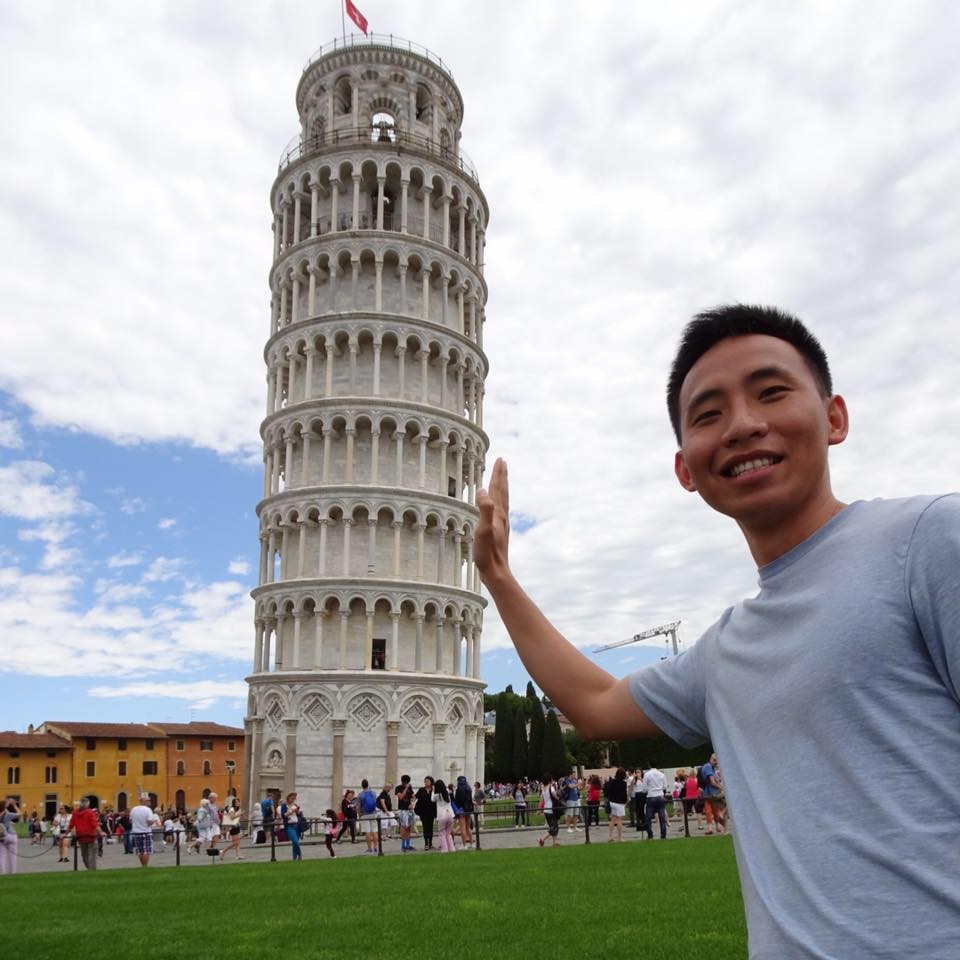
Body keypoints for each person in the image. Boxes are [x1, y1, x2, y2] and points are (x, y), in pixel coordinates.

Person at [474, 303, 960, 958]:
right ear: (685, 469)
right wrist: (500, 579)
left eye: (771, 391)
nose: (743, 425)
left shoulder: (929, 543)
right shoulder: (726, 649)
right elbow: (593, 706)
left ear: (835, 417)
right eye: (709, 414)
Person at [70, 797, 103, 870]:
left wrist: (65, 834)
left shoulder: (75, 813)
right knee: (92, 855)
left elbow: (71, 824)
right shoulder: (90, 812)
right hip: (91, 836)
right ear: (88, 804)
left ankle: (89, 869)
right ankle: (92, 870)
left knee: (84, 855)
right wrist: (101, 832)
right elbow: (95, 823)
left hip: (81, 837)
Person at [129, 793, 161, 867]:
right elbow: (149, 822)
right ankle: (145, 866)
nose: (150, 801)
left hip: (136, 832)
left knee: (140, 851)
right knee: (146, 851)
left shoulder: (134, 809)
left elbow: (130, 820)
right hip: (145, 832)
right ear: (143, 801)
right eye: (148, 800)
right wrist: (153, 821)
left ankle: (142, 865)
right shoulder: (148, 810)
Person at [700, 753, 725, 835]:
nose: (715, 762)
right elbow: (712, 782)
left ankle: (716, 827)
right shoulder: (708, 767)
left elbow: (715, 780)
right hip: (710, 793)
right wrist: (721, 788)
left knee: (714, 810)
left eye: (717, 761)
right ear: (710, 758)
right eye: (714, 760)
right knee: (710, 810)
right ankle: (712, 828)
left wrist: (720, 786)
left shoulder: (712, 768)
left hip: (711, 793)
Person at [640, 764, 668, 840]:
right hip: (660, 796)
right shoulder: (661, 774)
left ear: (649, 765)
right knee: (662, 816)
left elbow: (644, 789)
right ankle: (663, 834)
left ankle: (650, 834)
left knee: (648, 817)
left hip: (651, 796)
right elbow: (665, 787)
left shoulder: (647, 774)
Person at [431, 779, 455, 853]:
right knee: (448, 833)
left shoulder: (437, 795)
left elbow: (432, 799)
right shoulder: (447, 793)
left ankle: (444, 849)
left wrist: (433, 790)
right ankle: (452, 848)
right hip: (450, 814)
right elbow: (448, 790)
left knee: (442, 833)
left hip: (442, 815)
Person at [536, 775, 560, 848]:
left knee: (553, 826)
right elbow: (555, 796)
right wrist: (559, 798)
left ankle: (555, 843)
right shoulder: (551, 787)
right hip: (551, 810)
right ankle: (542, 839)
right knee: (554, 827)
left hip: (546, 810)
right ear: (550, 780)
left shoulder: (543, 789)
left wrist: (539, 810)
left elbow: (541, 801)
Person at [414, 776, 437, 850]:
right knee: (425, 827)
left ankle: (430, 843)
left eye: (427, 781)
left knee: (430, 828)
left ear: (431, 782)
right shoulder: (421, 790)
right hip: (423, 812)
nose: (426, 782)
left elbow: (436, 799)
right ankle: (426, 844)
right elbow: (415, 797)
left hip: (431, 812)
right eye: (425, 781)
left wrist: (433, 791)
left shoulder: (434, 790)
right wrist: (412, 803)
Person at [606, 768, 627, 842]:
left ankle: (610, 836)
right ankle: (620, 837)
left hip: (612, 802)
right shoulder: (624, 783)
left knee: (612, 820)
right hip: (620, 803)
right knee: (619, 820)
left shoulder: (611, 782)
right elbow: (624, 794)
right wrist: (625, 801)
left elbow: (608, 792)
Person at [279, 792, 303, 861]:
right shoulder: (284, 805)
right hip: (290, 826)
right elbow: (283, 815)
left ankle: (294, 858)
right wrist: (292, 811)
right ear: (288, 797)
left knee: (294, 844)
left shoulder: (295, 804)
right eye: (292, 798)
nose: (293, 800)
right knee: (296, 842)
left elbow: (299, 814)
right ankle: (300, 854)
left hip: (297, 826)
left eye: (294, 799)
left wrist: (298, 811)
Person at [395, 775, 416, 852]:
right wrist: (406, 788)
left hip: (409, 810)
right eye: (405, 783)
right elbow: (400, 797)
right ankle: (403, 845)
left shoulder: (410, 787)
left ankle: (408, 845)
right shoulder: (398, 788)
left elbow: (414, 796)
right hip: (402, 810)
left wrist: (412, 803)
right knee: (403, 827)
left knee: (409, 827)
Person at [0, 796, 20, 875]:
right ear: (4, 807)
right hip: (11, 835)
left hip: (1, 837)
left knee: (2, 856)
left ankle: (2, 873)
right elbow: (19, 814)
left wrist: (6, 805)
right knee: (12, 856)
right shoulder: (7, 815)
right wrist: (15, 806)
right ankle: (13, 873)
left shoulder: (5, 813)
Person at [357, 779, 378, 854]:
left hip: (365, 814)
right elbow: (376, 803)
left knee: (367, 832)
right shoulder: (374, 793)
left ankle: (369, 848)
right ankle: (376, 847)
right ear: (368, 784)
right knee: (375, 831)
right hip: (373, 813)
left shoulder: (360, 795)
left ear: (362, 786)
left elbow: (358, 807)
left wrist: (359, 814)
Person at [453, 775, 474, 848]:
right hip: (468, 809)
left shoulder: (459, 790)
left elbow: (456, 801)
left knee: (462, 828)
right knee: (468, 828)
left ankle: (464, 845)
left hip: (461, 810)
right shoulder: (469, 789)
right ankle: (471, 843)